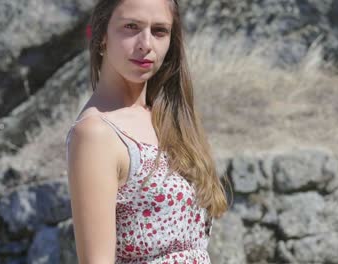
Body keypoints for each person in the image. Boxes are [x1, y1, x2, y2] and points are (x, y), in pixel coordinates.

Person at [65, 0, 230, 263]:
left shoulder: (169, 119)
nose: (146, 44)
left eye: (160, 31)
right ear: (101, 36)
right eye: (131, 27)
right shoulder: (95, 134)